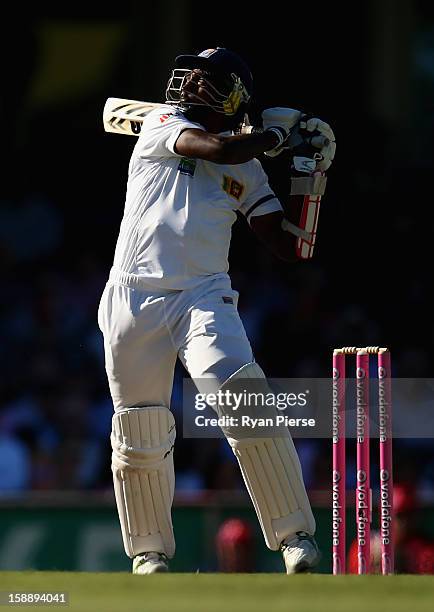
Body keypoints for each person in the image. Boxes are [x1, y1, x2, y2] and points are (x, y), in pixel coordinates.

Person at [98, 47, 335, 574]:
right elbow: (214, 149)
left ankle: (295, 537)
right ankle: (149, 553)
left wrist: (308, 173)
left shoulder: (247, 171)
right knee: (139, 426)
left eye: (207, 78)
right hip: (132, 296)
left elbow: (292, 245)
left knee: (241, 394)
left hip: (202, 295)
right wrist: (274, 137)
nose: (190, 80)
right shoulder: (164, 122)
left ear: (233, 96)